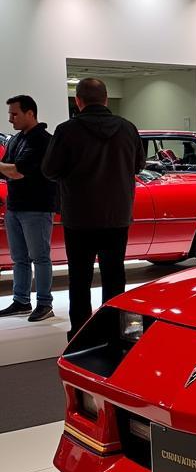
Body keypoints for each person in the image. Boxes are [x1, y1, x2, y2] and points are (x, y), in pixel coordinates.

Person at [42, 78, 146, 338]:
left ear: (78, 100)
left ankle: (81, 331)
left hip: (79, 217)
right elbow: (138, 166)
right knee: (114, 275)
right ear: (106, 99)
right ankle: (115, 330)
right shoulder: (127, 128)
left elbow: (49, 169)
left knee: (80, 278)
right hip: (117, 216)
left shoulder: (66, 131)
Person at [0, 95, 57, 321]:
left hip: (36, 208)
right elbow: (8, 169)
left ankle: (45, 303)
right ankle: (21, 300)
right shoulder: (16, 139)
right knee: (19, 258)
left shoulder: (43, 140)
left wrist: (7, 168)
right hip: (15, 207)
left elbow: (16, 171)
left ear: (30, 113)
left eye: (15, 113)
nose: (10, 118)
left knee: (40, 257)